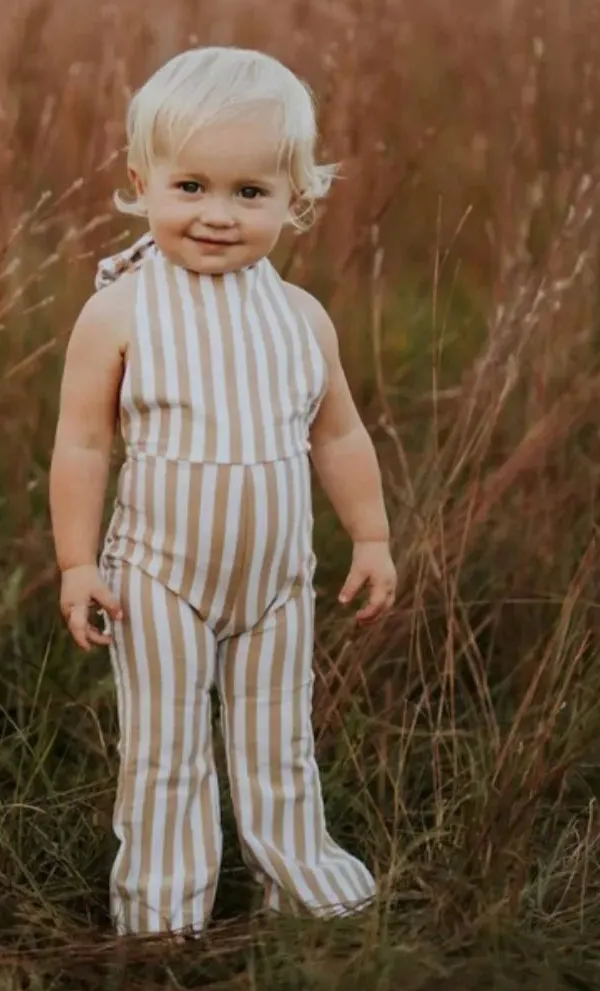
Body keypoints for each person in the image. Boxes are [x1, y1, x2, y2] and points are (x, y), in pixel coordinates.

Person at [49, 45, 397, 937]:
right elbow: (83, 444)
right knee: (165, 747)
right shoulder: (120, 311)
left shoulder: (299, 316)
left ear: (296, 198)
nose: (217, 215)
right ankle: (163, 910)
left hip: (276, 580)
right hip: (158, 577)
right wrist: (77, 561)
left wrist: (369, 538)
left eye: (250, 193)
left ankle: (301, 880)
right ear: (140, 180)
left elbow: (339, 432)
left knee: (277, 741)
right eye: (191, 186)